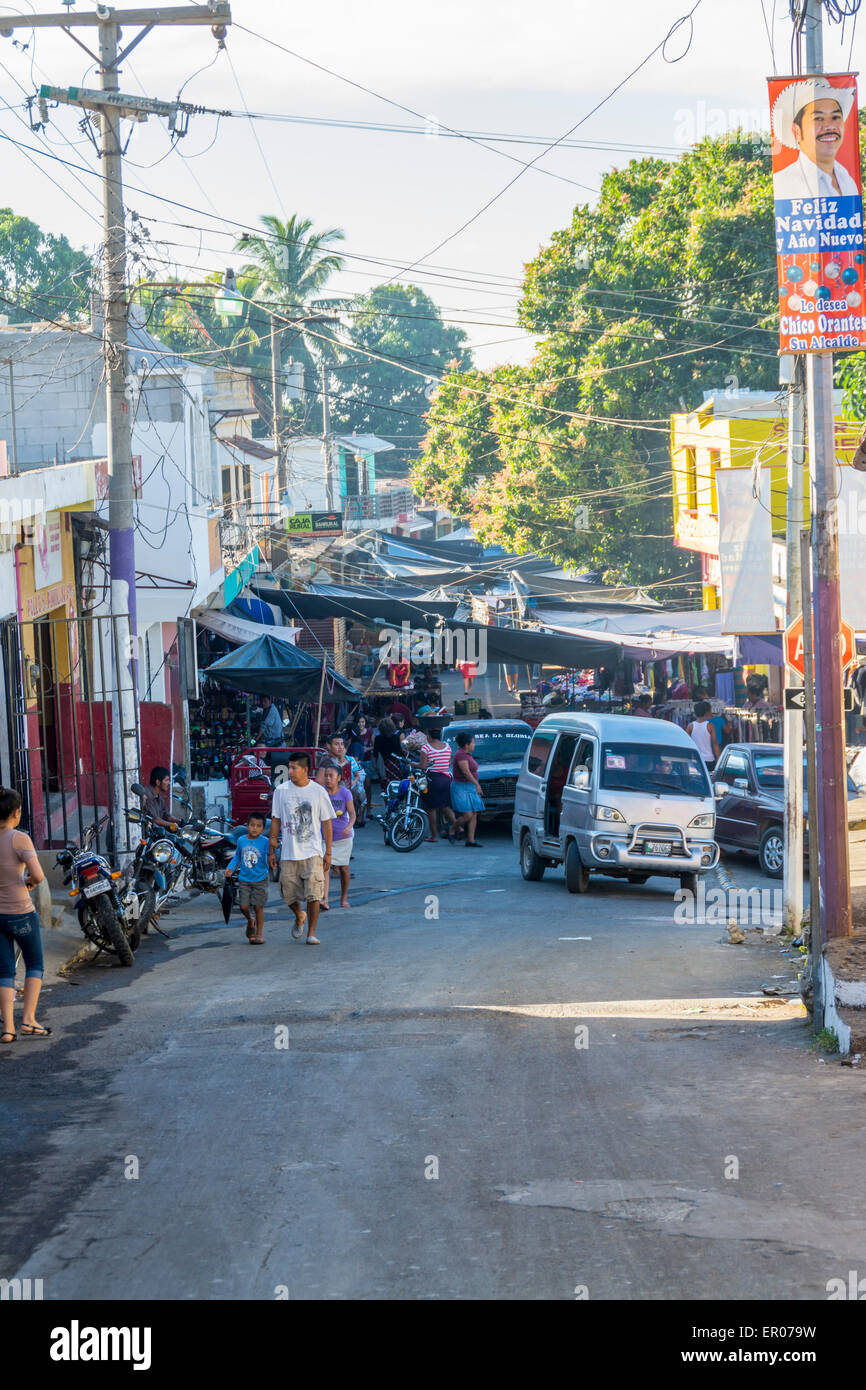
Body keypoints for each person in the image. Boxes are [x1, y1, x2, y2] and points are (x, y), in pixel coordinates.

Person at [268, 752, 334, 946]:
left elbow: (327, 824)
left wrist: (328, 852)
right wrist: (272, 850)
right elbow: (276, 820)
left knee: (314, 894)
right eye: (289, 767)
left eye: (294, 768)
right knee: (287, 894)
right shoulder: (281, 791)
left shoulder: (318, 791)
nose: (290, 771)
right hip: (289, 851)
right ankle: (299, 914)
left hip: (313, 851)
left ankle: (311, 933)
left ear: (306, 770)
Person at [0, 787, 49, 1043]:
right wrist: (28, 881)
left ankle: (8, 1029)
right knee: (35, 964)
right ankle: (28, 1020)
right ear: (16, 813)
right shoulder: (19, 839)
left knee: (4, 970)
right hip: (20, 913)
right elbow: (39, 876)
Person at [771, 77, 858, 199]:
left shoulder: (847, 180)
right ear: (797, 131)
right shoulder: (785, 183)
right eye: (818, 118)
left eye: (835, 117)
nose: (830, 126)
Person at [225, 811, 270, 945]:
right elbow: (238, 856)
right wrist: (230, 868)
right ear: (247, 826)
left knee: (258, 907)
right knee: (243, 907)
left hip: (260, 879)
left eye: (258, 826)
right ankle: (250, 920)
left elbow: (271, 855)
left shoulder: (265, 842)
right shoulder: (242, 840)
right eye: (252, 825)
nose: (254, 828)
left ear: (262, 828)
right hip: (244, 879)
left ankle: (259, 934)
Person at [321, 765, 355, 909]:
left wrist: (349, 826)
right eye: (326, 776)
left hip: (343, 836)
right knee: (324, 868)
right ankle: (325, 899)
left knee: (343, 869)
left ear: (339, 778)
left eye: (331, 776)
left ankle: (344, 897)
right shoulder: (321, 793)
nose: (328, 779)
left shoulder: (345, 793)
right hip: (325, 837)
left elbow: (352, 814)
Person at [316, 733, 366, 827]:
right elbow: (319, 781)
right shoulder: (327, 760)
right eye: (336, 744)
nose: (340, 747)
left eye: (342, 744)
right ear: (329, 746)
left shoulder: (342, 759)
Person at [419, 727, 457, 843]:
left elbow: (423, 767)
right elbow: (449, 761)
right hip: (446, 779)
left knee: (432, 808)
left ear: (429, 736)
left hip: (433, 779)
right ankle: (458, 826)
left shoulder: (426, 748)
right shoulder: (447, 746)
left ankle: (434, 836)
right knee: (445, 806)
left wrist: (412, 764)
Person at [450, 732, 485, 848]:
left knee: (474, 813)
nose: (474, 745)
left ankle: (471, 840)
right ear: (466, 744)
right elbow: (466, 772)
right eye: (473, 743)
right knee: (467, 814)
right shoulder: (461, 755)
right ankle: (452, 828)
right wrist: (477, 784)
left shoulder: (467, 754)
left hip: (469, 786)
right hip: (461, 787)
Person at [687, 700, 721, 771]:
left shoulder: (690, 726)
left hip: (696, 758)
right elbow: (715, 744)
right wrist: (718, 758)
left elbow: (687, 743)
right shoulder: (710, 726)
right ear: (706, 712)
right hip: (709, 759)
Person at [373, 716, 404, 785]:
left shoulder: (378, 738)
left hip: (383, 763)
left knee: (385, 783)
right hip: (395, 763)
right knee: (396, 782)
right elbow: (399, 751)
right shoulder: (395, 737)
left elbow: (375, 753)